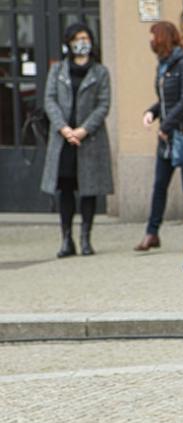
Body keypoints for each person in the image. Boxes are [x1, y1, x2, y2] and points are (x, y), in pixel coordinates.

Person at [135, 21, 183, 254]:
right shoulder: (163, 65)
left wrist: (166, 124)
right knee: (159, 185)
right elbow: (167, 100)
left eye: (151, 36)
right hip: (167, 136)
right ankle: (151, 233)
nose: (149, 41)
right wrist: (152, 111)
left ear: (162, 38)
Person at [40, 23, 113, 258]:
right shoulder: (58, 71)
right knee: (66, 189)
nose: (82, 42)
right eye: (77, 38)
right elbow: (49, 100)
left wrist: (83, 130)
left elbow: (103, 104)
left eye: (85, 37)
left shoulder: (100, 72)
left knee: (89, 191)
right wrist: (63, 128)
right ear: (69, 42)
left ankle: (86, 239)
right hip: (63, 140)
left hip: (88, 140)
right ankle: (66, 239)